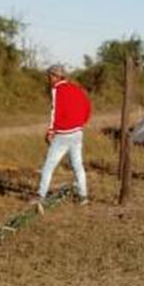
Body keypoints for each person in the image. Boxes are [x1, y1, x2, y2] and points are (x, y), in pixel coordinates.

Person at [36, 65, 91, 207]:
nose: (48, 79)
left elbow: (55, 111)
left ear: (55, 76)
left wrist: (50, 131)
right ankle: (83, 196)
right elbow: (87, 106)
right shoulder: (76, 88)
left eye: (49, 76)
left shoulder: (56, 89)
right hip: (77, 132)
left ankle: (41, 196)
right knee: (78, 165)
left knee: (48, 166)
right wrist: (81, 123)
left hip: (63, 135)